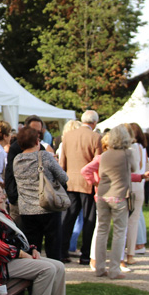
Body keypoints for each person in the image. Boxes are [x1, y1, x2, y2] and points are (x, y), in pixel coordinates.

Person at [81, 126, 138, 279]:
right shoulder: (127, 154)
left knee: (101, 231)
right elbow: (134, 168)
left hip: (102, 195)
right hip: (119, 196)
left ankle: (99, 268)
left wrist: (94, 182)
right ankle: (114, 269)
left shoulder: (104, 155)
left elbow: (97, 172)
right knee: (119, 232)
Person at [13, 126, 69, 261]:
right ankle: (55, 272)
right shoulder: (44, 156)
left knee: (33, 250)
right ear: (37, 141)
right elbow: (63, 177)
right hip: (48, 205)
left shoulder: (17, 160)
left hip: (26, 209)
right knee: (53, 248)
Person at [59, 110, 101, 266]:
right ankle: (85, 254)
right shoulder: (95, 137)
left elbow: (62, 162)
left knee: (68, 218)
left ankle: (62, 252)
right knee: (89, 219)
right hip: (88, 183)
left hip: (70, 181)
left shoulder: (68, 136)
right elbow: (98, 162)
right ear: (94, 123)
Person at [126, 123, 149, 261]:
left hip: (133, 183)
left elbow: (134, 168)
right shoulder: (142, 147)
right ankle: (136, 246)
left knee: (132, 219)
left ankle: (135, 245)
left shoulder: (133, 148)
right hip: (139, 183)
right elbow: (145, 165)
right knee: (136, 217)